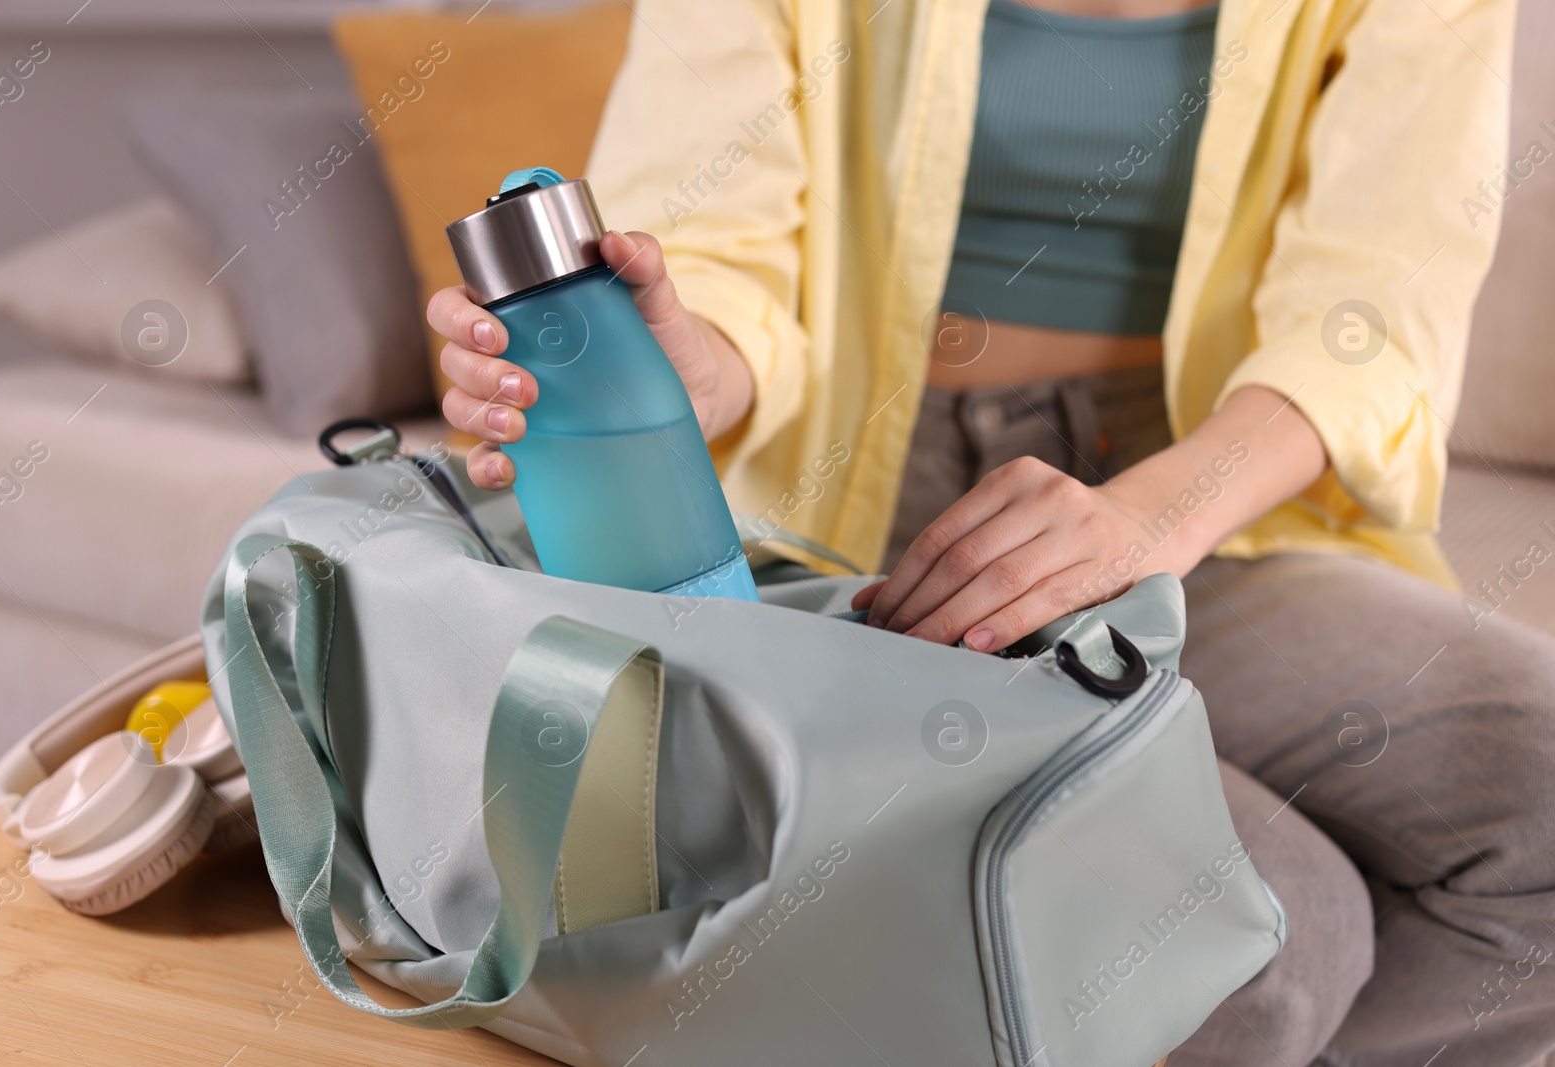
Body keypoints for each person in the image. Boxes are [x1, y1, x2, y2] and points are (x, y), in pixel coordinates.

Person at [426, 0, 1555, 1063]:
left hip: (1214, 494)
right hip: (863, 521)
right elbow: (718, 250)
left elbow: (1372, 312)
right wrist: (684, 365)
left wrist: (1144, 518)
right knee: (1275, 947)